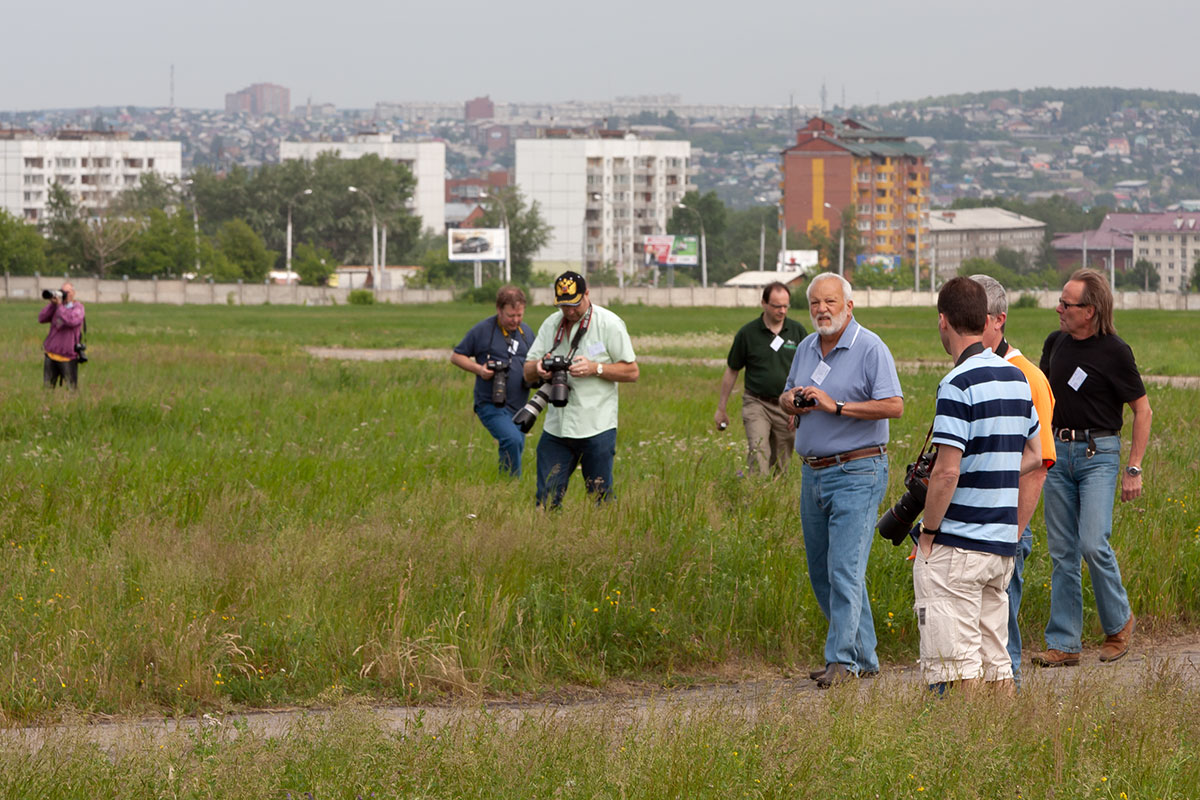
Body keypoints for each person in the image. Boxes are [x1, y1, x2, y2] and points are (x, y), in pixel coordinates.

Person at [914, 277, 1042, 693]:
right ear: (985, 320)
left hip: (959, 543)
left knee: (956, 663)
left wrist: (928, 534)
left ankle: (966, 732)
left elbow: (946, 472)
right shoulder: (1016, 378)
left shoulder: (957, 383)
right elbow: (1036, 454)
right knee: (996, 661)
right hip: (1001, 544)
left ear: (943, 321)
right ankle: (1004, 732)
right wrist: (994, 470)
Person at [779, 273, 903, 687]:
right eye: (815, 303)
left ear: (849, 306)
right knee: (822, 570)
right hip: (813, 472)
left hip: (857, 470)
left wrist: (837, 406)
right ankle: (864, 657)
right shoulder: (807, 348)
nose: (821, 310)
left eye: (830, 302)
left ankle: (841, 661)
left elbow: (894, 405)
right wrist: (791, 401)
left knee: (844, 568)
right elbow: (785, 393)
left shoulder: (870, 347)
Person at [1032, 269, 1151, 668]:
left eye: (1066, 304)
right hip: (1057, 453)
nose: (1058, 308)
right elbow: (1042, 399)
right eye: (1060, 301)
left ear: (1090, 311)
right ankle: (1064, 643)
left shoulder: (1115, 352)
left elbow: (1143, 411)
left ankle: (1119, 624)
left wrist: (1133, 468)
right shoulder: (1055, 343)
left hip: (1098, 455)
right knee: (1062, 551)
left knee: (1092, 543)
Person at [969, 274, 1055, 685]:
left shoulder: (1026, 376)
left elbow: (1037, 466)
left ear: (998, 320)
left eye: (975, 318)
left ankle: (1009, 706)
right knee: (975, 636)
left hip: (1006, 526)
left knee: (1001, 637)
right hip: (972, 523)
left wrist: (1013, 535)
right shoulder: (971, 370)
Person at [524, 271, 638, 508]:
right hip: (557, 427)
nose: (569, 311)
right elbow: (527, 371)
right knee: (545, 498)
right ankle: (546, 530)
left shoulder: (609, 324)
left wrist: (595, 368)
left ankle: (604, 530)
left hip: (596, 426)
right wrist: (539, 367)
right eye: (564, 305)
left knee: (600, 498)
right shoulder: (551, 324)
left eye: (575, 304)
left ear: (587, 294)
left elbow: (632, 371)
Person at [715, 281, 807, 475]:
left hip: (786, 405)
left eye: (786, 306)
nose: (782, 311)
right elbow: (732, 370)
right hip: (756, 403)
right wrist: (721, 408)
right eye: (777, 306)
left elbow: (807, 370)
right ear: (764, 303)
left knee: (782, 462)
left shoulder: (797, 331)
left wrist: (798, 408)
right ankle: (754, 490)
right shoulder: (748, 333)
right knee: (759, 451)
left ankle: (775, 492)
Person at [451, 285, 535, 477]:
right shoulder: (483, 330)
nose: (515, 320)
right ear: (499, 310)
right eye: (510, 316)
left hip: (519, 406)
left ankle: (506, 485)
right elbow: (456, 356)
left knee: (517, 445)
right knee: (512, 440)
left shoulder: (526, 332)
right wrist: (479, 370)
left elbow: (536, 359)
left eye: (519, 315)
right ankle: (510, 484)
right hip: (491, 403)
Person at [39, 281, 85, 390]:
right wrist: (52, 304)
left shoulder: (78, 308)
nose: (65, 294)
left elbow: (71, 321)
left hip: (68, 356)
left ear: (73, 293)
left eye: (67, 292)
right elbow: (41, 318)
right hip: (51, 354)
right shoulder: (56, 307)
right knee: (47, 389)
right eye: (63, 291)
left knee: (71, 389)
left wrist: (59, 306)